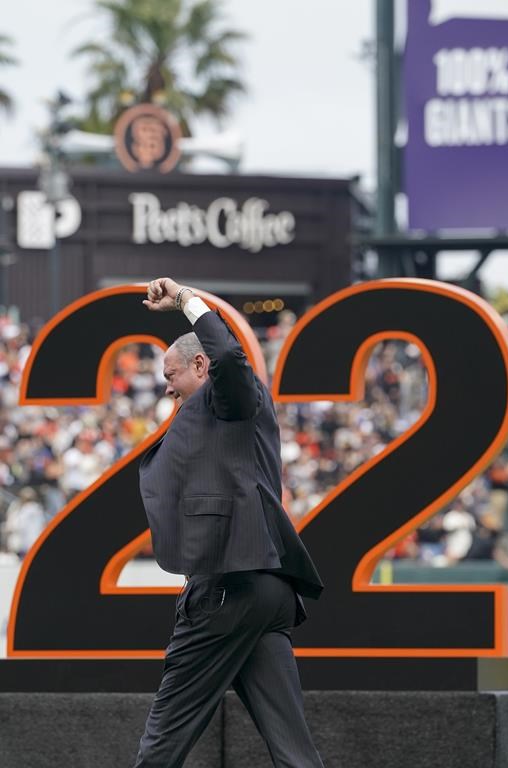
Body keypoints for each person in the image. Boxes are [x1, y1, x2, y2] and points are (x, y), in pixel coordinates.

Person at [134, 277, 325, 768]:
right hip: (268, 591)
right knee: (295, 753)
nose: (168, 387)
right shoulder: (224, 414)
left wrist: (185, 301)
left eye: (171, 375)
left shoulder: (232, 396)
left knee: (163, 739)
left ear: (201, 364)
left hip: (227, 589)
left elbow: (231, 359)